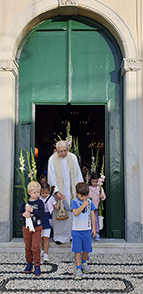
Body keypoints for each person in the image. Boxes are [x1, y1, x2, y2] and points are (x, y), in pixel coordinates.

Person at [48, 140, 83, 244]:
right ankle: (59, 237)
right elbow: (51, 176)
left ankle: (72, 236)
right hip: (59, 191)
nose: (63, 153)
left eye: (65, 151)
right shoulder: (52, 159)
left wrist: (79, 189)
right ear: (56, 150)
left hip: (72, 190)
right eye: (60, 151)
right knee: (60, 213)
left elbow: (77, 173)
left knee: (72, 212)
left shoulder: (73, 157)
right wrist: (56, 191)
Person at [18, 181, 44, 276]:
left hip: (37, 228)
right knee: (28, 247)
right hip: (26, 228)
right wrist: (24, 214)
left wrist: (33, 210)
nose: (37, 194)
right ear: (29, 192)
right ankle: (29, 263)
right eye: (34, 192)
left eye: (38, 192)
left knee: (35, 247)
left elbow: (42, 214)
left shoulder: (40, 202)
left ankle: (37, 264)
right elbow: (19, 214)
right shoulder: (25, 202)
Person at [71, 182, 96, 279]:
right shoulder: (74, 202)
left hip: (87, 230)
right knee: (77, 250)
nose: (84, 198)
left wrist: (93, 228)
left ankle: (84, 261)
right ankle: (78, 268)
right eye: (82, 196)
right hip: (77, 231)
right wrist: (83, 205)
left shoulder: (89, 202)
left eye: (86, 195)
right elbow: (75, 213)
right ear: (77, 193)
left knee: (87, 249)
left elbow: (92, 215)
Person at [39, 182, 62, 262]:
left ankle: (46, 253)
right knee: (41, 237)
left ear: (49, 191)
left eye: (46, 193)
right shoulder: (38, 198)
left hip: (48, 219)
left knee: (46, 237)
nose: (44, 195)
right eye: (42, 193)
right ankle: (42, 250)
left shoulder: (51, 198)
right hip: (40, 219)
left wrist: (59, 200)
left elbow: (56, 207)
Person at [89, 172, 106, 241]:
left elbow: (104, 197)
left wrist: (102, 197)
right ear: (90, 181)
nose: (94, 183)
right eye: (93, 182)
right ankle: (90, 233)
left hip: (96, 207)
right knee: (89, 220)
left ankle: (96, 232)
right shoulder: (89, 188)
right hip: (90, 208)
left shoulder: (100, 188)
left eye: (96, 182)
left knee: (96, 220)